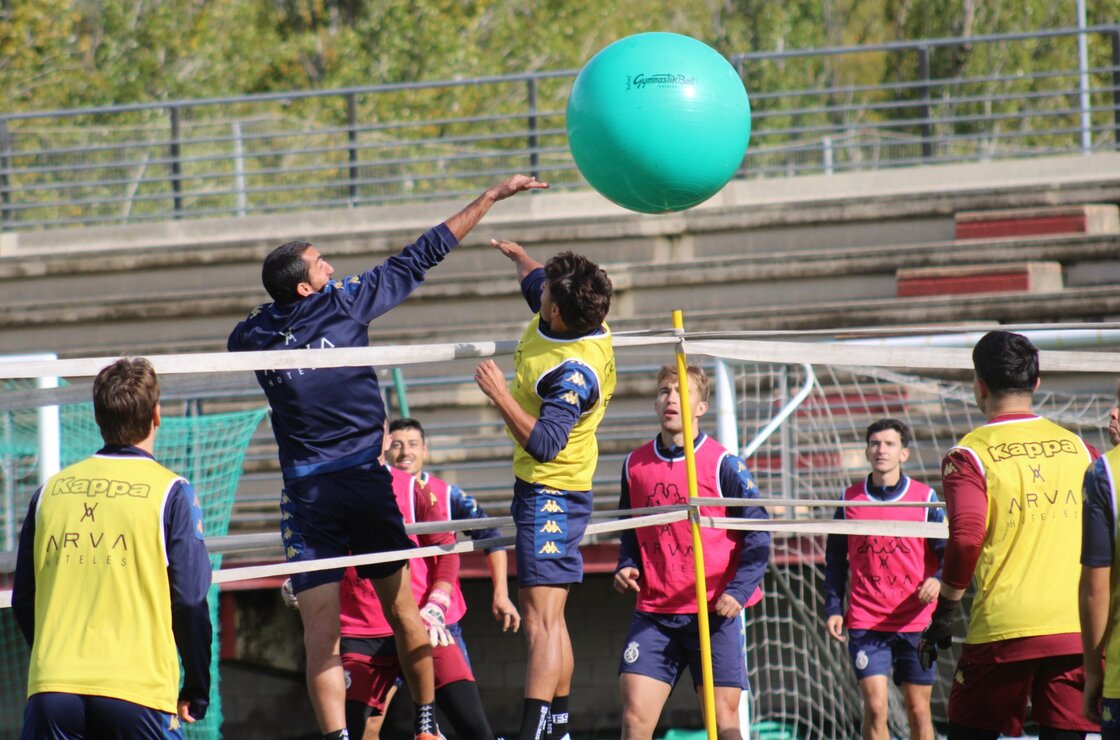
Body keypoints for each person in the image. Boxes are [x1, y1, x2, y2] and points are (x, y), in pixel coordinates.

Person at [228, 174, 547, 740]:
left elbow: (417, 257)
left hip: (343, 486)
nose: (331, 268)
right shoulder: (340, 304)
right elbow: (424, 252)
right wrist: (491, 197)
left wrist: (490, 199)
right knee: (323, 634)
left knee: (402, 612)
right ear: (304, 289)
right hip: (318, 492)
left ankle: (425, 725)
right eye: (320, 264)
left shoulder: (253, 332)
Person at [12, 357, 212, 738]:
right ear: (157, 414)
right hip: (136, 690)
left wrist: (57, 659)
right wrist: (196, 689)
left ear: (97, 416)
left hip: (53, 688)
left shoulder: (50, 492)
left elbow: (24, 597)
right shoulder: (170, 492)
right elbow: (189, 599)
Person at [918, 330, 1099, 739]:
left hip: (1003, 633)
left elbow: (965, 539)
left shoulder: (970, 454)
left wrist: (945, 614)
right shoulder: (1081, 449)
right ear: (1036, 383)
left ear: (979, 385)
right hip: (1076, 628)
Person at [474, 239, 614, 740]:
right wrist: (519, 258)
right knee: (553, 619)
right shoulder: (569, 312)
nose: (539, 294)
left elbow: (547, 443)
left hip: (551, 491)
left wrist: (498, 395)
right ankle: (558, 729)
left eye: (546, 294)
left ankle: (535, 731)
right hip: (551, 490)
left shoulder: (572, 374)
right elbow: (536, 280)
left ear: (555, 311)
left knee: (539, 622)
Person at [613, 365, 770, 740]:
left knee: (724, 721)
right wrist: (627, 564)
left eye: (681, 392)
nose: (671, 398)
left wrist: (738, 591)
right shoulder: (634, 465)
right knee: (635, 719)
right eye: (665, 391)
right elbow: (630, 532)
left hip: (713, 611)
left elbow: (759, 533)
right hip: (655, 613)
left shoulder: (723, 463)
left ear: (701, 407)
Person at [823, 418, 945, 740]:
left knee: (918, 710)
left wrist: (939, 580)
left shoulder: (925, 499)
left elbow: (950, 554)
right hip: (866, 620)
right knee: (876, 707)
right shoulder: (849, 502)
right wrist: (834, 607)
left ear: (904, 453)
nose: (881, 450)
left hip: (918, 623)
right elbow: (835, 560)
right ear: (867, 450)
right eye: (875, 443)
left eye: (889, 444)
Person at [386, 416, 522, 634]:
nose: (405, 452)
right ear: (386, 449)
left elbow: (490, 535)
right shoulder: (377, 495)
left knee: (458, 670)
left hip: (441, 615)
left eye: (413, 444)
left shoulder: (448, 495)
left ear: (424, 450)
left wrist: (501, 594)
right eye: (396, 445)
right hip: (391, 615)